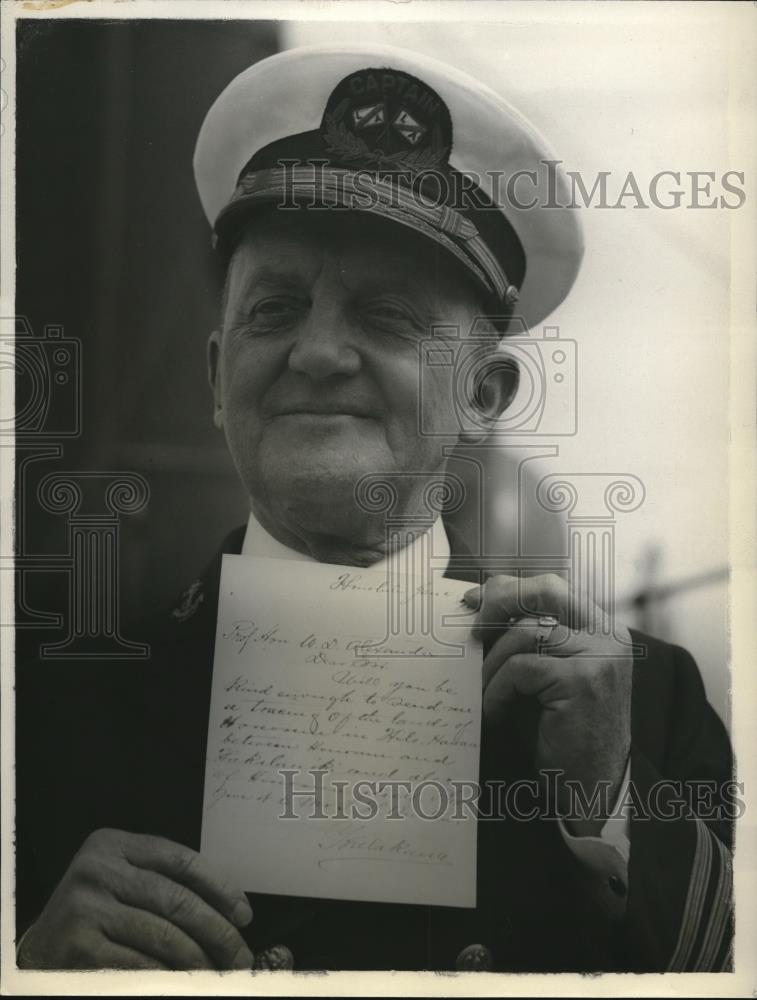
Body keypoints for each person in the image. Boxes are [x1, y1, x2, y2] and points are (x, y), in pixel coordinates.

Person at [15, 44, 733, 973]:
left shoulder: (646, 707)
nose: (316, 353)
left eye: (385, 317)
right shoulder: (49, 696)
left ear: (484, 392)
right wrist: (24, 964)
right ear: (214, 376)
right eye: (273, 310)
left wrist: (609, 809)